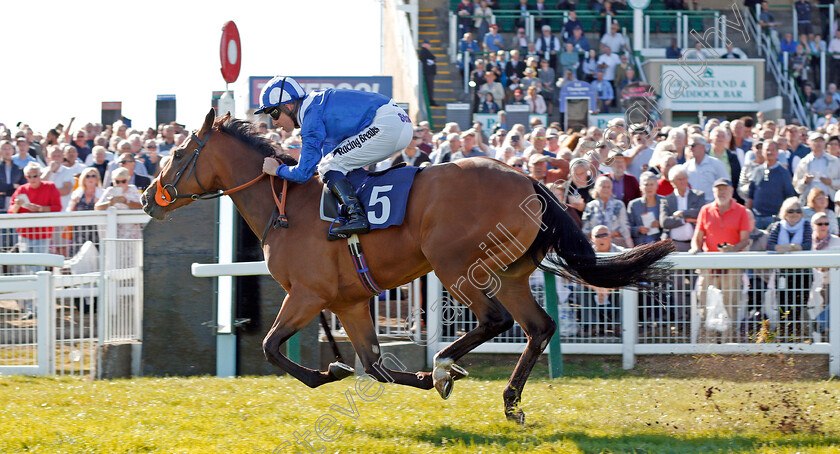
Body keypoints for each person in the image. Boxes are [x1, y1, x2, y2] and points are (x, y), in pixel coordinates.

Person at [255, 76, 414, 236]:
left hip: (388, 125)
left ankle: (357, 216)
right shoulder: (316, 105)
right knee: (333, 164)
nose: (274, 122)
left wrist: (277, 170)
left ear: (288, 106)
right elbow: (327, 155)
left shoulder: (311, 117)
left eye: (273, 113)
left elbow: (303, 173)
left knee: (328, 166)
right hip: (397, 122)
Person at [690, 178, 751, 338]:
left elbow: (745, 239)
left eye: (725, 189)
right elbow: (698, 233)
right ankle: (707, 344)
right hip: (708, 265)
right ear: (714, 191)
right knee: (705, 303)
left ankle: (727, 343)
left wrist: (733, 249)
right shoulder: (705, 210)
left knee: (730, 304)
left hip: (731, 265)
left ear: (731, 191)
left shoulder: (741, 210)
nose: (721, 192)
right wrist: (695, 248)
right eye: (718, 189)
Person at [766, 197, 813, 338]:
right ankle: (784, 337)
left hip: (803, 273)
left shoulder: (806, 226)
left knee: (799, 307)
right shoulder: (777, 226)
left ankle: (798, 338)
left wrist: (785, 248)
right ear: (784, 212)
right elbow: (770, 246)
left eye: (798, 211)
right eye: (790, 210)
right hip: (783, 274)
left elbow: (806, 245)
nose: (794, 214)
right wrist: (792, 247)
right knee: (783, 307)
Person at [747, 139, 796, 229]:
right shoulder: (757, 170)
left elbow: (789, 197)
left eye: (773, 150)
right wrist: (748, 214)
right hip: (756, 218)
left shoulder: (784, 172)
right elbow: (750, 195)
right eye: (767, 149)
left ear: (777, 152)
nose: (770, 152)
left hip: (775, 219)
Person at [661, 166, 705, 252]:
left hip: (695, 244)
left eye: (684, 178)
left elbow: (700, 213)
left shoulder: (698, 195)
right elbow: (664, 222)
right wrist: (684, 220)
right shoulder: (667, 200)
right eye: (679, 179)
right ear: (672, 182)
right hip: (674, 244)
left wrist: (683, 213)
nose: (683, 182)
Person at [582, 175, 632, 247]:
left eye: (608, 187)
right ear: (597, 188)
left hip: (616, 244)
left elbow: (625, 228)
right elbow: (585, 230)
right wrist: (598, 236)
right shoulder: (590, 206)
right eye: (603, 187)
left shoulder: (619, 205)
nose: (606, 189)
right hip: (595, 245)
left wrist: (611, 234)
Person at [793, 132, 840, 203]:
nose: (819, 143)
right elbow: (796, 186)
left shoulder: (834, 161)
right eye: (816, 141)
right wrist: (805, 181)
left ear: (824, 143)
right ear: (809, 143)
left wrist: (830, 182)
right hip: (809, 199)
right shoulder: (804, 162)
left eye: (821, 141)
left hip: (829, 199)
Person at [684, 134, 728, 202]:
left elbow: (726, 185)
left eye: (693, 145)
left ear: (702, 146)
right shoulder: (686, 166)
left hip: (711, 204)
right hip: (693, 206)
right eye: (688, 145)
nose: (690, 148)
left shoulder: (716, 164)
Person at [628, 172, 665, 245]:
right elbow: (627, 228)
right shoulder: (634, 205)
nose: (649, 187)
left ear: (657, 186)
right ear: (640, 187)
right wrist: (638, 229)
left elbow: (670, 225)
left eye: (652, 184)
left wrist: (661, 224)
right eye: (646, 185)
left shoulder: (664, 201)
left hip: (660, 245)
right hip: (640, 245)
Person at [0, 140, 25, 212]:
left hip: (15, 204)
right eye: (4, 149)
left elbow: (22, 187)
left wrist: (5, 191)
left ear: (13, 151)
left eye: (9, 149)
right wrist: (13, 186)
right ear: (0, 151)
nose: (7, 151)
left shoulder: (19, 169)